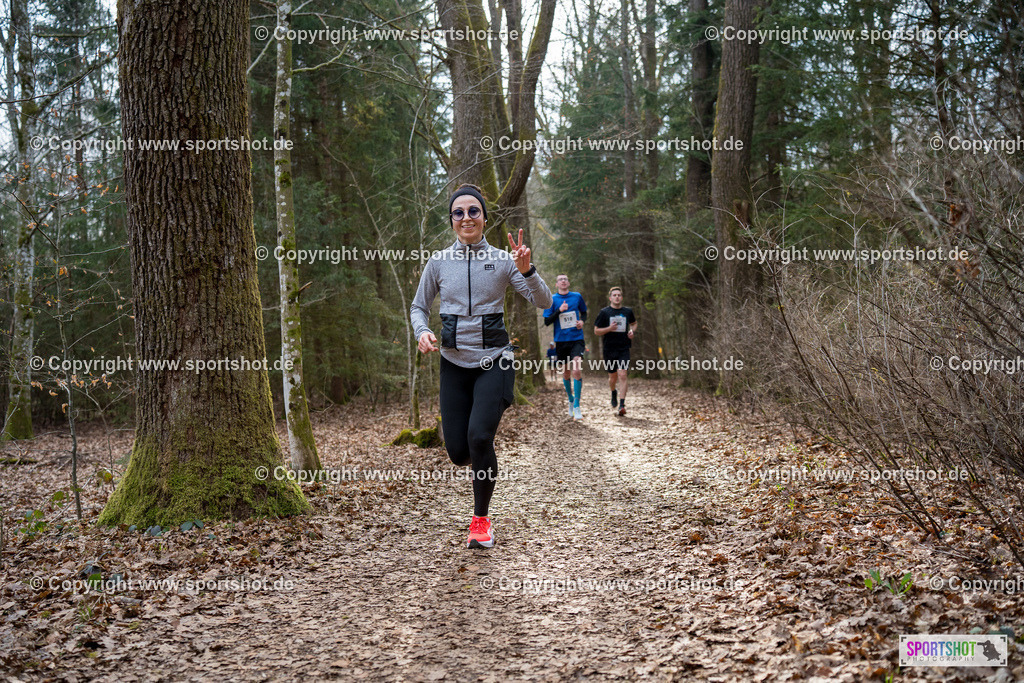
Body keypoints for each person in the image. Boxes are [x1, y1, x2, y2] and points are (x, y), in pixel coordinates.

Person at [411, 184, 551, 549]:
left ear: (484, 217)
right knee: (459, 452)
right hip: (453, 364)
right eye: (459, 212)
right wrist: (423, 331)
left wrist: (529, 270)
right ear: (452, 221)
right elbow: (418, 307)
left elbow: (544, 301)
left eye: (474, 211)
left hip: (495, 362)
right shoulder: (439, 262)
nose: (466, 217)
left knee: (479, 437)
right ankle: (482, 454)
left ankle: (481, 521)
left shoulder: (505, 261)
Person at [544, 274, 586, 420]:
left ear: (568, 282)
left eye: (565, 279)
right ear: (556, 284)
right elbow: (547, 321)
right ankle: (570, 398)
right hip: (561, 341)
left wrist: (582, 322)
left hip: (577, 339)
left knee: (576, 369)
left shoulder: (577, 296)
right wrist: (559, 311)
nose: (563, 281)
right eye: (560, 280)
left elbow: (584, 313)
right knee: (566, 373)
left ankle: (577, 405)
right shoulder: (552, 300)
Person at [594, 286, 637, 416]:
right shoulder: (604, 312)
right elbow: (596, 331)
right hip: (609, 349)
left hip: (623, 348)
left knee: (622, 374)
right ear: (610, 298)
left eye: (619, 295)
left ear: (621, 297)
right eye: (614, 295)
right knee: (612, 377)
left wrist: (632, 331)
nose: (617, 297)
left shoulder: (628, 311)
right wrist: (609, 328)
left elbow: (634, 323)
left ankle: (622, 405)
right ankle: (613, 392)